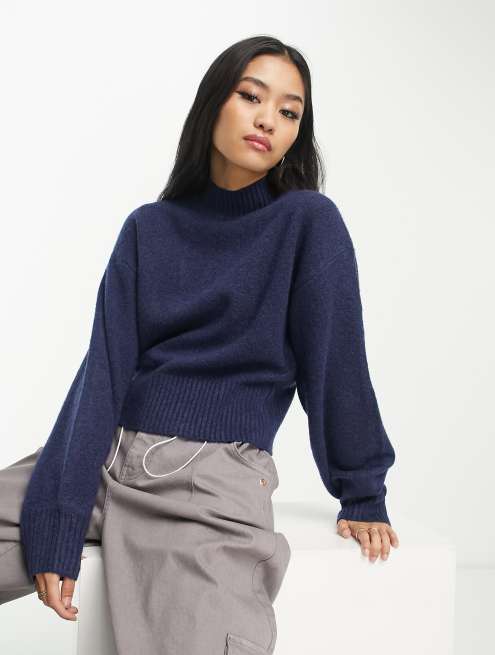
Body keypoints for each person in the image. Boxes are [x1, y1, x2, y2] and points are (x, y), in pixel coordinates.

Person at [0, 35, 399, 654]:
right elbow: (103, 374)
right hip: (104, 454)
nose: (268, 120)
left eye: (289, 111)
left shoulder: (307, 222)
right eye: (251, 97)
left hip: (208, 480)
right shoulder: (149, 228)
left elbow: (337, 363)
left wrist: (363, 491)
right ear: (214, 102)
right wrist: (60, 512)